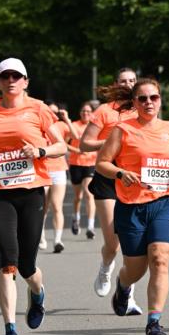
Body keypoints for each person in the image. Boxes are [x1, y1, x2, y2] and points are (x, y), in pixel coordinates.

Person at [0, 57, 67, 335]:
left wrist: (40, 149)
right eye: (5, 76)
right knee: (7, 261)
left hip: (32, 191)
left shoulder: (39, 109)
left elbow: (61, 146)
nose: (11, 80)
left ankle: (37, 293)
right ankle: (10, 331)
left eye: (17, 76)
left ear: (25, 81)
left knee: (27, 265)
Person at [95, 77, 169, 335]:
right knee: (135, 269)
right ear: (134, 103)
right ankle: (123, 286)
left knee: (159, 259)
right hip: (131, 206)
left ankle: (154, 322)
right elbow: (102, 163)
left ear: (160, 100)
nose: (149, 102)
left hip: (164, 202)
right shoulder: (122, 130)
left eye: (154, 97)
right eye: (143, 98)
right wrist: (120, 172)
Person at [80, 67, 142, 313]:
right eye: (124, 80)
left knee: (132, 240)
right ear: (116, 83)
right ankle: (106, 268)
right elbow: (85, 143)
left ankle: (129, 296)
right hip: (107, 176)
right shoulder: (105, 111)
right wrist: (110, 143)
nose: (128, 84)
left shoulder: (142, 110)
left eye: (133, 80)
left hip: (133, 177)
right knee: (112, 242)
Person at [40, 103, 70, 252]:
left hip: (59, 170)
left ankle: (57, 240)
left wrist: (67, 119)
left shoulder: (61, 126)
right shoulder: (39, 125)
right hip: (43, 170)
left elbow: (76, 137)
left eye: (55, 112)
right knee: (43, 207)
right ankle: (41, 236)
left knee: (57, 206)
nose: (52, 114)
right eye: (49, 111)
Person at [67, 102, 96, 238]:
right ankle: (75, 217)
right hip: (76, 163)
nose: (86, 113)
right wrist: (77, 150)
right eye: (84, 111)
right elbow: (64, 143)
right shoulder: (74, 126)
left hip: (91, 163)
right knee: (78, 197)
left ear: (92, 113)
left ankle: (90, 226)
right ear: (80, 113)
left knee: (89, 193)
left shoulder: (95, 127)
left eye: (88, 111)